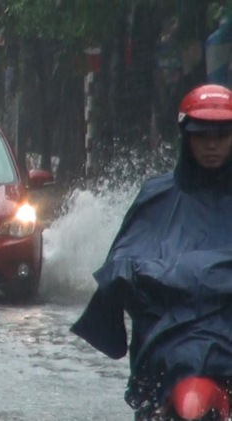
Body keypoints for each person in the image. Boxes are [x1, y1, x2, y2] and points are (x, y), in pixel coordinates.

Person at [72, 84, 232, 420]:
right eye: (203, 135)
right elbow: (124, 254)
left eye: (221, 134)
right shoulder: (156, 196)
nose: (212, 144)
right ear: (186, 137)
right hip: (171, 337)